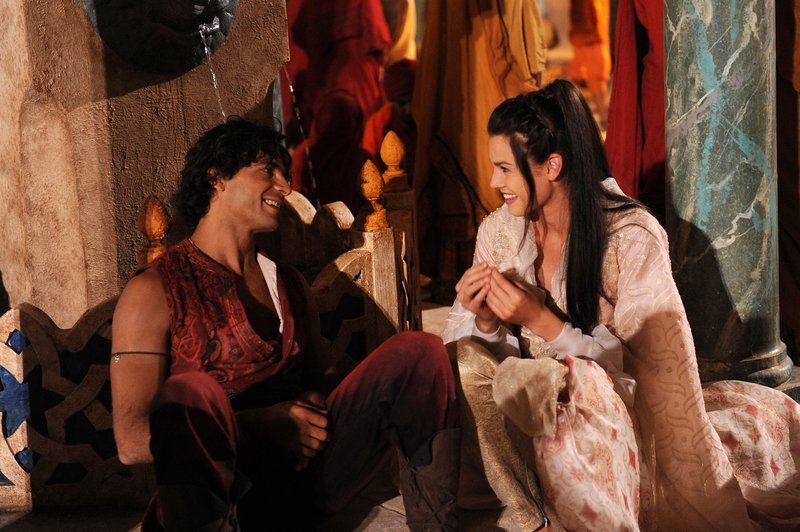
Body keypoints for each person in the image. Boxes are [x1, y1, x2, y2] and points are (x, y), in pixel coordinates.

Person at [443, 80, 800, 530]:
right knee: (468, 359)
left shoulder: (629, 237)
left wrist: (540, 320)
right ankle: (527, 513)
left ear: (552, 166)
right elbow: (479, 364)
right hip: (525, 420)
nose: (495, 183)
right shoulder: (499, 232)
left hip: (610, 420)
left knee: (583, 380)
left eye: (504, 169)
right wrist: (487, 322)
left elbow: (646, 373)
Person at [110, 119, 460, 531]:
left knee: (419, 351)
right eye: (267, 171)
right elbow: (131, 441)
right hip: (217, 498)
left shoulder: (288, 282)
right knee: (191, 393)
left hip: (303, 481)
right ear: (217, 178)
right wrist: (264, 422)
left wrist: (313, 405)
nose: (285, 186)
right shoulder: (155, 289)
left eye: (285, 173)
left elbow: (325, 381)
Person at [361, 58, 417, 177]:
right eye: (402, 103)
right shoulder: (377, 125)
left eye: (413, 101)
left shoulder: (430, 122)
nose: (409, 109)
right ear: (393, 101)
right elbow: (369, 169)